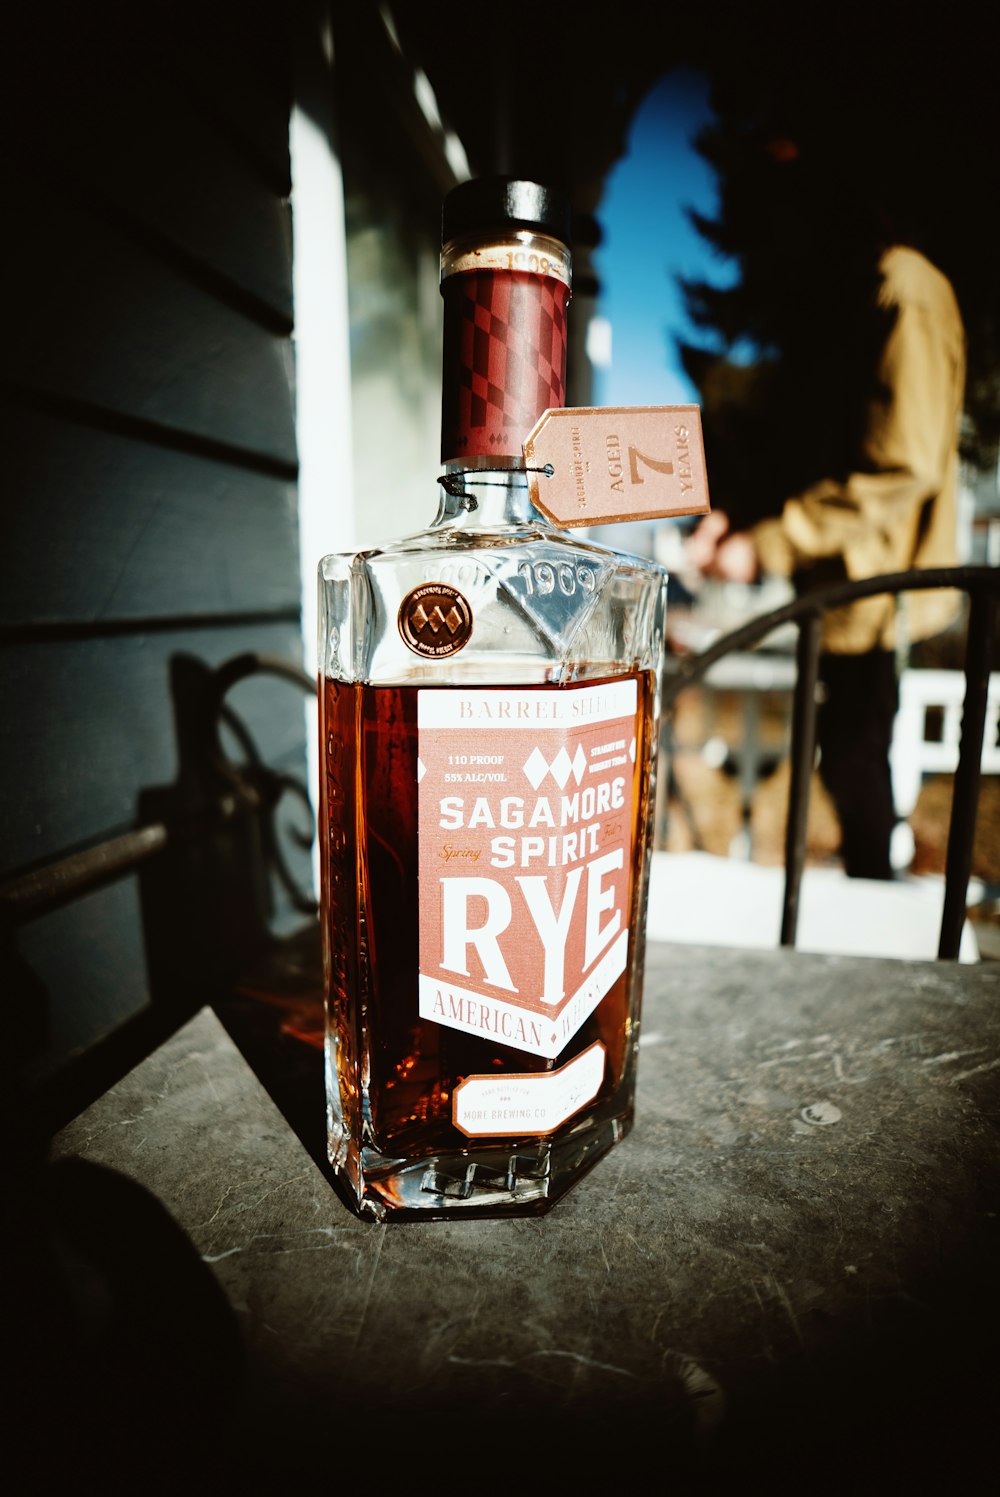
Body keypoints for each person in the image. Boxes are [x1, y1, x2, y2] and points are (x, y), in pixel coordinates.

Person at [686, 155, 967, 880]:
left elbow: (902, 464)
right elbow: (814, 446)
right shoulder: (847, 295)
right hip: (845, 591)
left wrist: (774, 542)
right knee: (843, 757)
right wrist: (736, 514)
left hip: (879, 591)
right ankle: (869, 886)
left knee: (855, 761)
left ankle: (884, 921)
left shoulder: (902, 288)